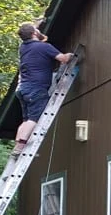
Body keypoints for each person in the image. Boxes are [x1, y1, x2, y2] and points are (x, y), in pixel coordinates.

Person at [12, 22, 74, 157]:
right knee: (34, 118)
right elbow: (63, 59)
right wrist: (70, 55)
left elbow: (29, 33)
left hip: (23, 89)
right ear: (34, 33)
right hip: (36, 89)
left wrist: (35, 24)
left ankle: (17, 146)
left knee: (26, 120)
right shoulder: (43, 47)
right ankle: (20, 145)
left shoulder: (23, 47)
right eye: (36, 30)